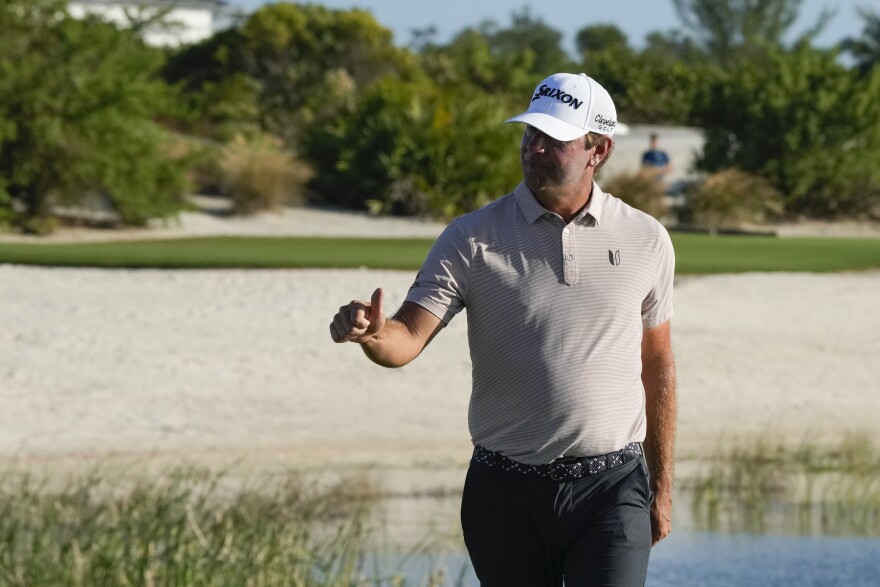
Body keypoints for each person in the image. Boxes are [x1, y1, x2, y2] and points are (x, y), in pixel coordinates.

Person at [329, 72, 677, 587]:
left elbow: (657, 365)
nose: (534, 149)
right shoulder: (472, 238)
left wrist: (663, 484)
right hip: (505, 491)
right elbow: (405, 338)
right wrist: (371, 334)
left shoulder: (646, 239)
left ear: (597, 150)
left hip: (612, 486)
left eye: (553, 140)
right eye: (529, 135)